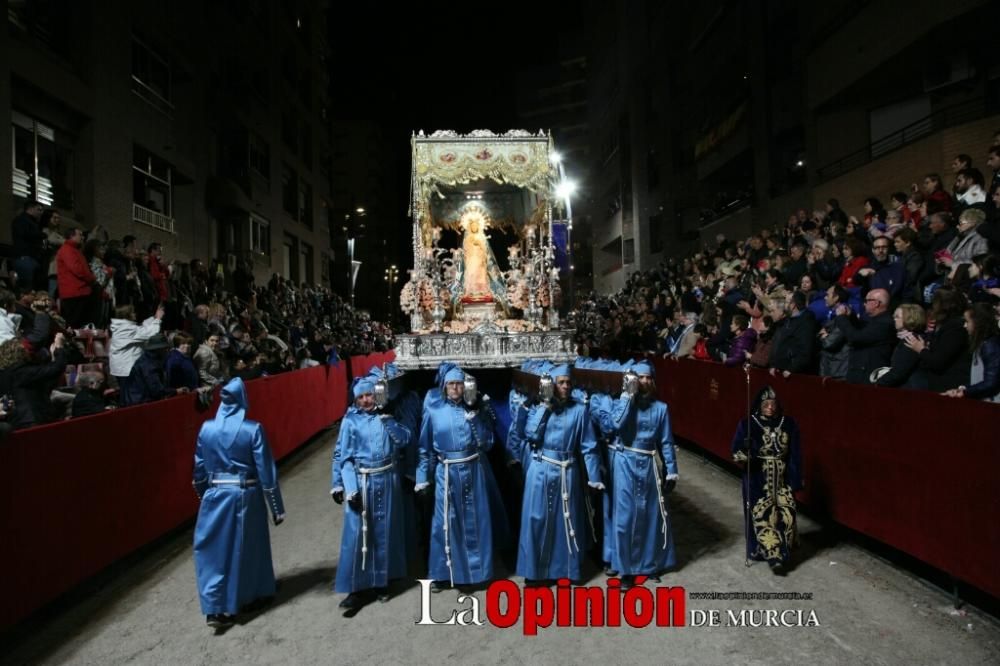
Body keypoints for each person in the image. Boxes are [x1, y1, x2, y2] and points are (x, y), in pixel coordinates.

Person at [192, 377, 285, 629]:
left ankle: (216, 606)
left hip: (215, 494)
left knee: (213, 551)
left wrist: (205, 496)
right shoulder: (252, 429)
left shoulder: (206, 429)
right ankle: (252, 594)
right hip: (246, 494)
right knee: (248, 546)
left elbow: (199, 470)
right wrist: (276, 507)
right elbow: (266, 470)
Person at [416, 364, 507, 591]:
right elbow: (425, 447)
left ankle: (477, 572)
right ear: (444, 387)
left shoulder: (477, 410)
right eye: (451, 384)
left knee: (475, 520)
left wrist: (475, 416)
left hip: (473, 470)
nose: (455, 388)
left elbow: (487, 443)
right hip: (445, 471)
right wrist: (422, 477)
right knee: (444, 523)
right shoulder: (434, 410)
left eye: (458, 384)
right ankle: (441, 573)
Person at [331, 376, 411, 611]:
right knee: (358, 535)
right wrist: (347, 488)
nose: (366, 400)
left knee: (385, 531)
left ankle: (381, 581)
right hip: (362, 481)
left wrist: (388, 420)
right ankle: (357, 588)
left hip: (387, 480)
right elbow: (343, 457)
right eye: (361, 397)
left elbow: (405, 440)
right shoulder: (349, 422)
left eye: (369, 395)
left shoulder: (388, 415)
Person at [517, 363, 602, 584]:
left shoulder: (579, 410)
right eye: (561, 383)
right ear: (551, 385)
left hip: (567, 470)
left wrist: (594, 477)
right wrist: (545, 406)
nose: (565, 386)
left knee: (568, 519)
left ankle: (566, 570)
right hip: (541, 468)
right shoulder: (538, 406)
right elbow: (530, 434)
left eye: (568, 383)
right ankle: (535, 573)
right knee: (538, 519)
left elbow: (589, 445)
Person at [604, 360, 678, 589]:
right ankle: (625, 569)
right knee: (624, 517)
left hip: (647, 463)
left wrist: (671, 471)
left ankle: (648, 565)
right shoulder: (622, 403)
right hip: (625, 461)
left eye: (648, 378)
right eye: (640, 377)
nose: (644, 381)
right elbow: (614, 425)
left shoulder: (661, 409)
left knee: (651, 515)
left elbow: (665, 442)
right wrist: (627, 396)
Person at [731, 386, 802, 574]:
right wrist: (746, 452)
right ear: (759, 406)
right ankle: (774, 557)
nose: (770, 407)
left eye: (773, 404)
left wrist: (796, 478)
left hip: (782, 477)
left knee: (787, 513)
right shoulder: (748, 424)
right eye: (766, 404)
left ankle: (783, 549)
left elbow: (795, 454)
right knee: (764, 516)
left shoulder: (789, 423)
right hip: (757, 477)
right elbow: (736, 453)